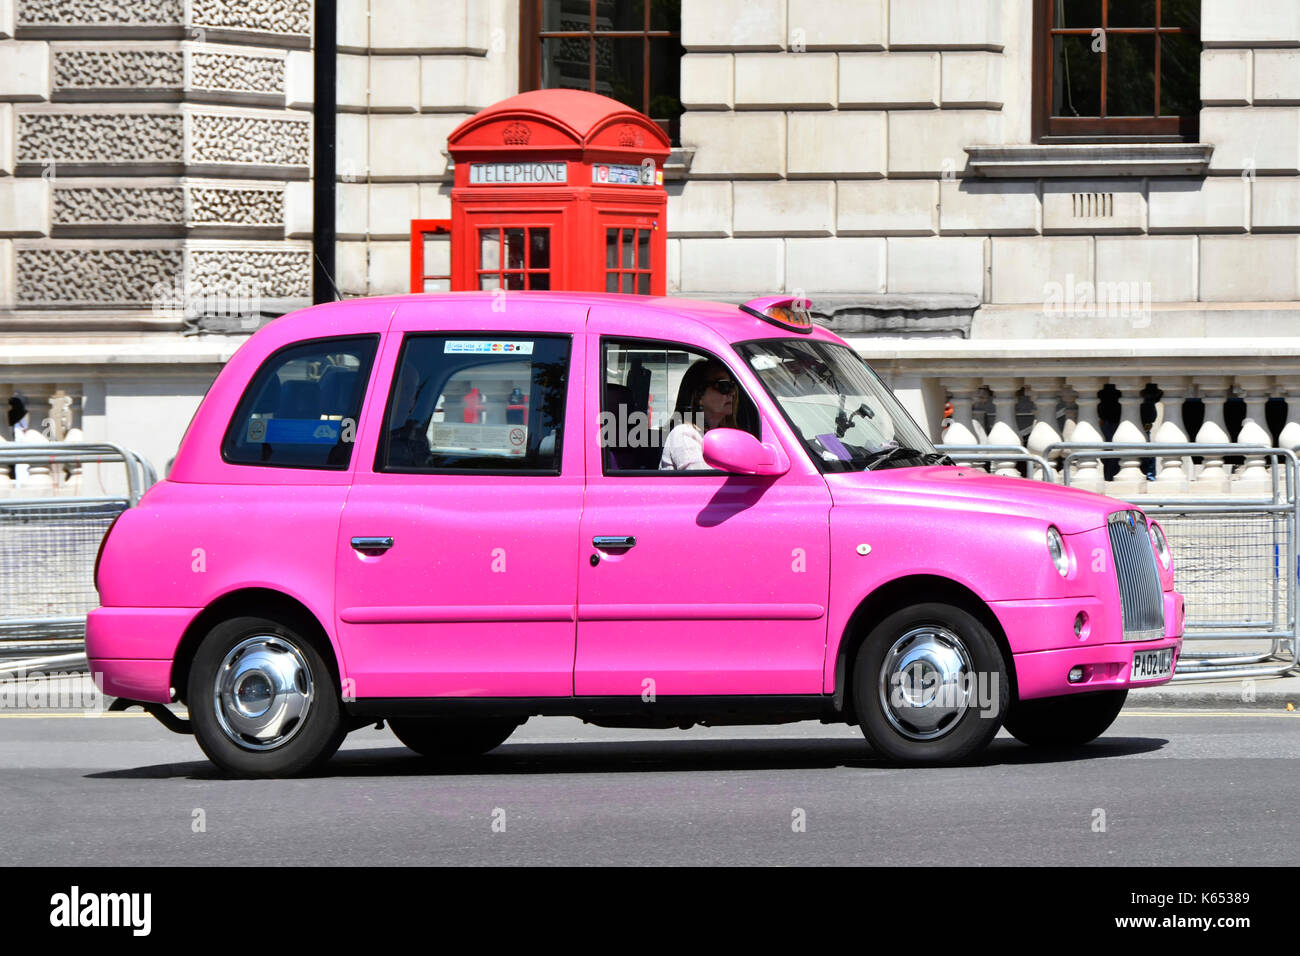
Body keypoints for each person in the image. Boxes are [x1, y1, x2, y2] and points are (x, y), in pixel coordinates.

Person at [659, 358, 740, 471]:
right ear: (698, 396)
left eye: (733, 386)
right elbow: (706, 484)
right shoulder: (684, 434)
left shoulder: (726, 436)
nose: (732, 393)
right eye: (724, 386)